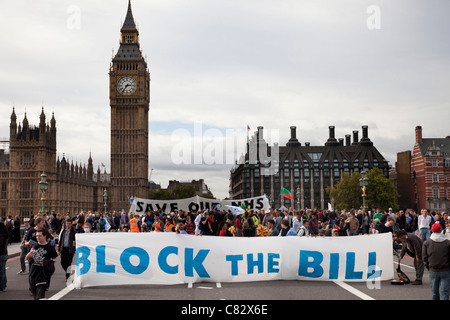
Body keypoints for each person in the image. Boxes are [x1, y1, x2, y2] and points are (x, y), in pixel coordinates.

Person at [26, 228, 58, 300]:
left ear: (45, 236)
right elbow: (27, 258)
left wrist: (46, 262)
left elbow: (54, 259)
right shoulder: (34, 246)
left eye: (40, 236)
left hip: (43, 273)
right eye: (37, 236)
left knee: (40, 295)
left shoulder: (50, 248)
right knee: (35, 296)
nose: (38, 237)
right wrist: (29, 255)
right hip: (34, 272)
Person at [422, 223, 450, 300]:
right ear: (441, 230)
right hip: (445, 270)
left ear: (431, 230)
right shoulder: (447, 243)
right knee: (444, 292)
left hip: (433, 269)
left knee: (435, 292)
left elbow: (424, 257)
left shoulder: (427, 243)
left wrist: (428, 266)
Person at [0, 220, 8, 292]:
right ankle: (4, 284)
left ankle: (1, 286)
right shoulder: (5, 234)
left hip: (1, 254)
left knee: (2, 271)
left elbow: (1, 245)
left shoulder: (1, 236)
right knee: (3, 270)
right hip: (4, 254)